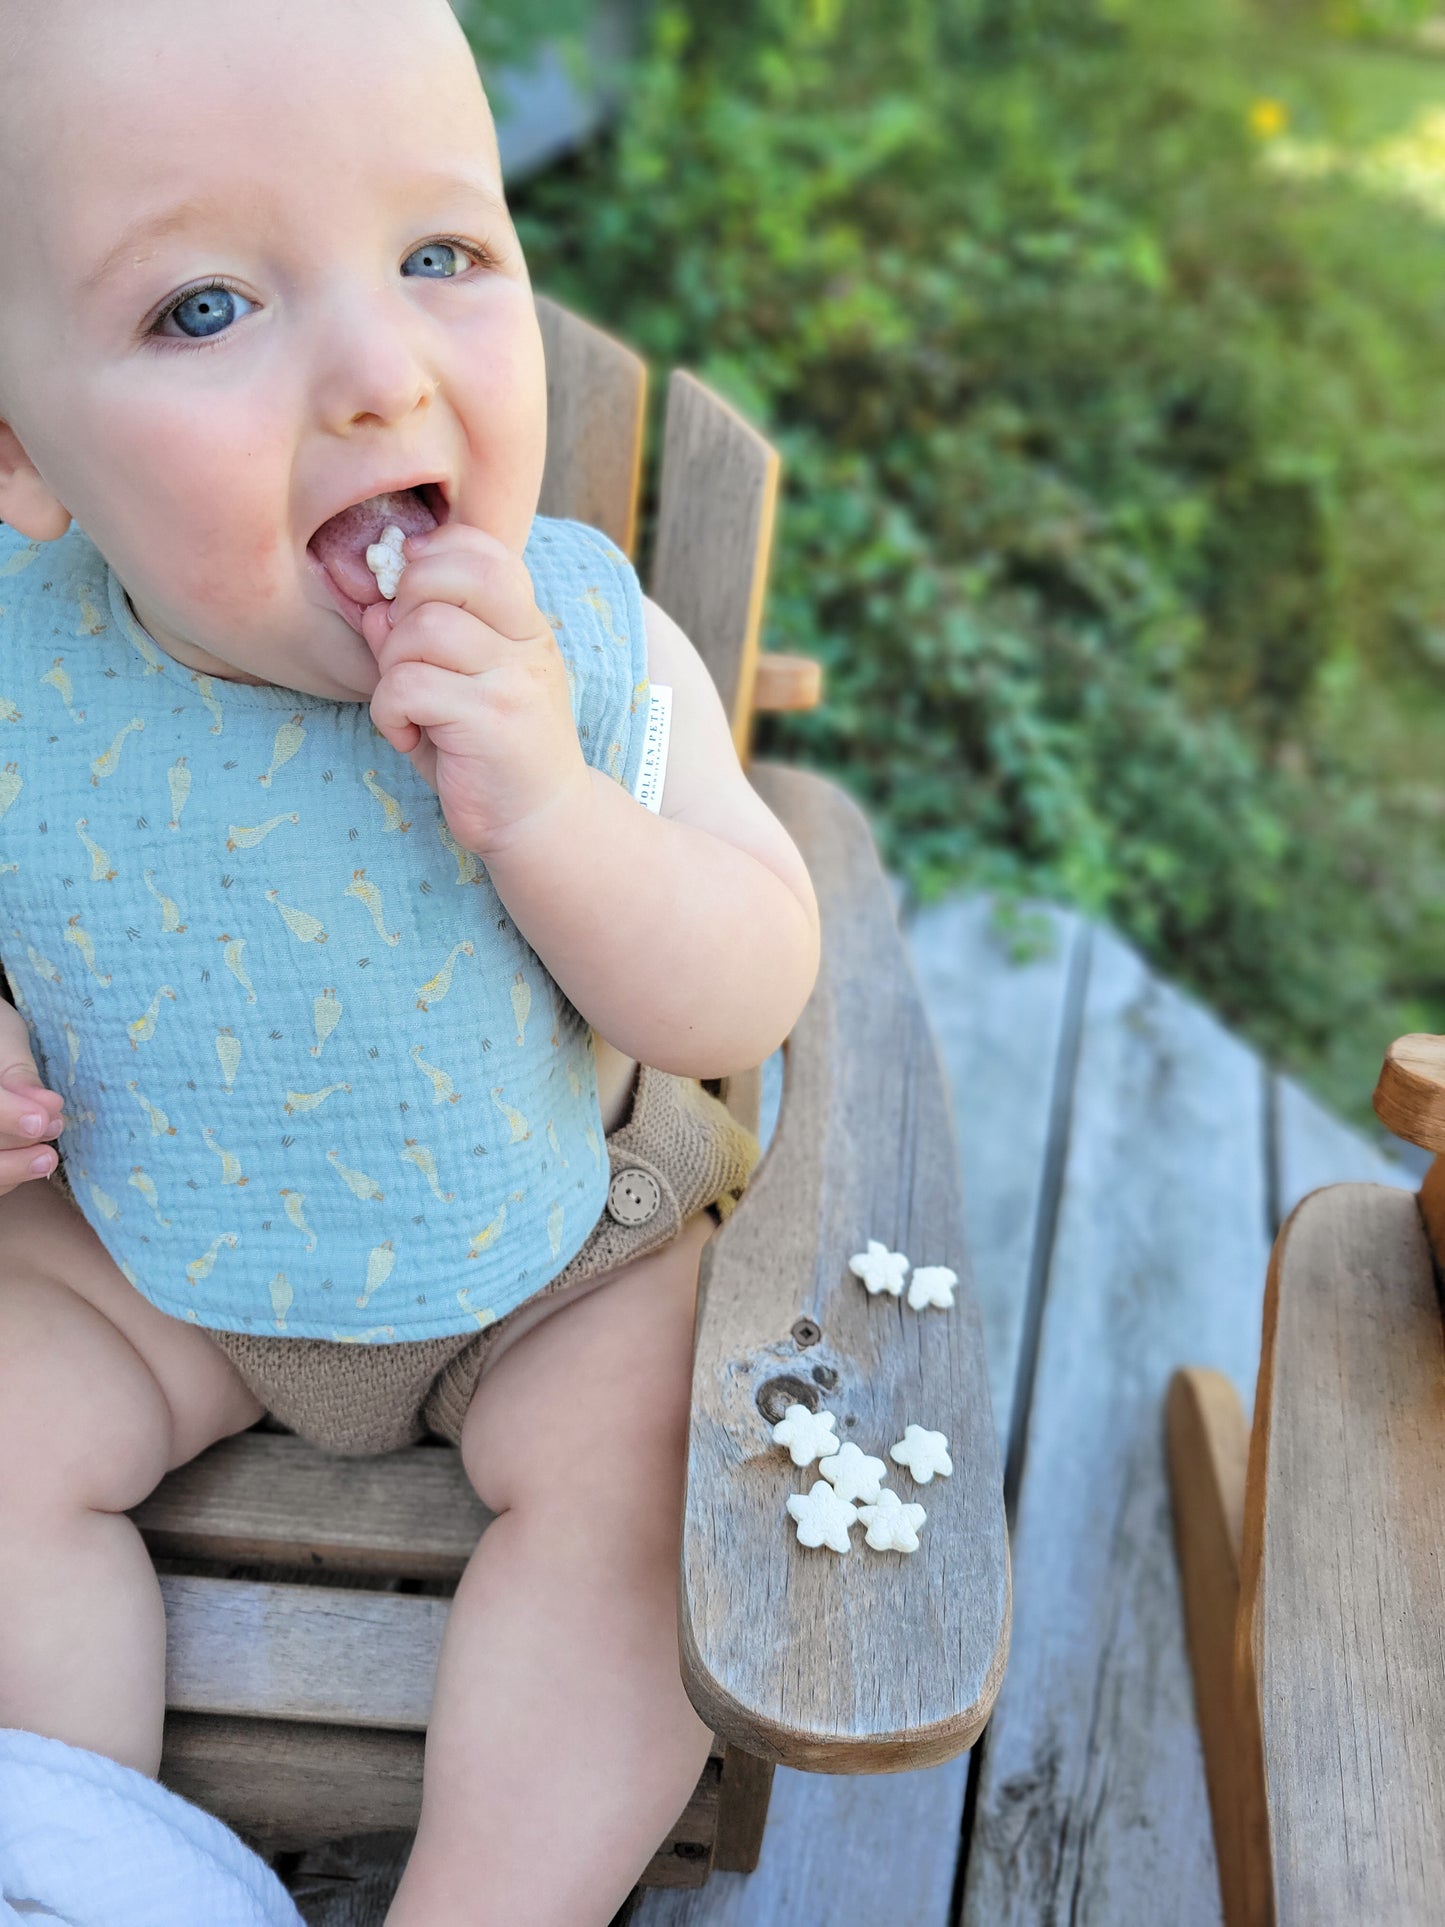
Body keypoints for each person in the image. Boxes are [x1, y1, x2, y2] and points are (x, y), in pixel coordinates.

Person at [0, 1, 821, 1919]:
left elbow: (746, 982)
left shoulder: (590, 654)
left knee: (648, 1504)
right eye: (203, 309)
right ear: (24, 459)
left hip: (548, 1254)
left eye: (441, 255)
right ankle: (82, 1868)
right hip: (145, 1250)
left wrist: (549, 808)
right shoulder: (25, 680)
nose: (378, 373)